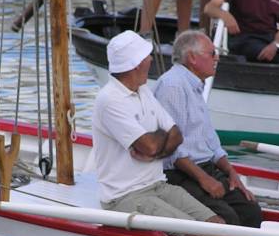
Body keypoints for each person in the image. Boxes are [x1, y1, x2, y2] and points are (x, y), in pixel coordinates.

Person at [91, 31, 224, 223]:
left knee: (216, 223)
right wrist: (158, 143)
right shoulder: (110, 100)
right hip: (126, 195)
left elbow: (176, 135)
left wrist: (153, 148)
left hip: (158, 185)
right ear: (136, 64)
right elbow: (152, 145)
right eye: (146, 55)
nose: (151, 59)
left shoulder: (143, 90)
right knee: (197, 230)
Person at [154, 31, 264, 227]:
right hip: (181, 173)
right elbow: (172, 149)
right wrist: (204, 179)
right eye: (212, 53)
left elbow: (210, 141)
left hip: (204, 167)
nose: (217, 58)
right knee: (226, 218)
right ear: (192, 58)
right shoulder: (173, 85)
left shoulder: (195, 85)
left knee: (251, 210)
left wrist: (231, 172)